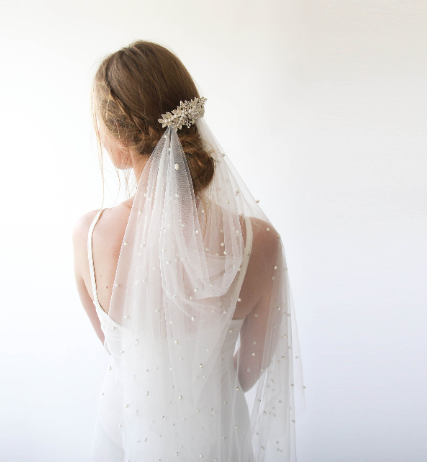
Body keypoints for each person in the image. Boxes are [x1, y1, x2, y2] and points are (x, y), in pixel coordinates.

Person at [72, 40, 305, 462]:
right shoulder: (261, 243)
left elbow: (117, 349)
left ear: (119, 140)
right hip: (216, 436)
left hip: (121, 432)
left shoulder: (88, 235)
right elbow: (250, 368)